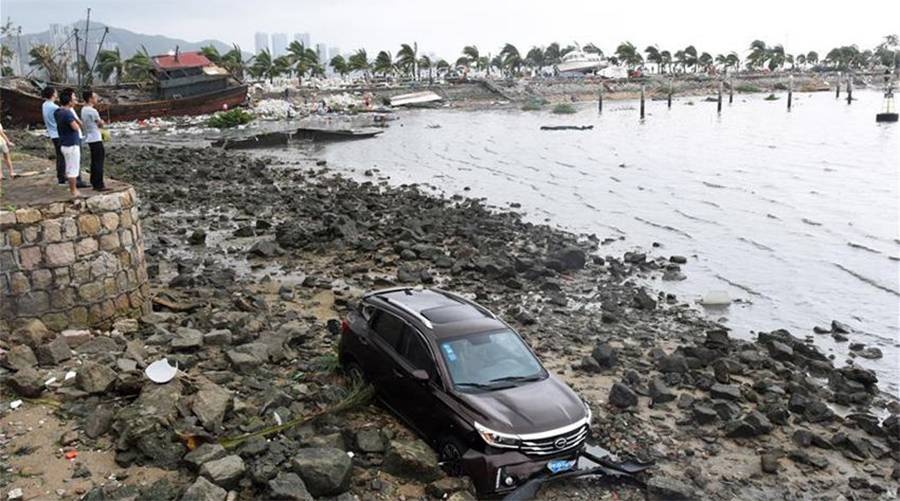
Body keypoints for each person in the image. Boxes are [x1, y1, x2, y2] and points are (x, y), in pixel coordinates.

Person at [54, 88, 83, 197]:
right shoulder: (68, 113)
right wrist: (78, 122)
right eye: (74, 99)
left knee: (69, 167)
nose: (76, 101)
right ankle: (73, 190)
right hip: (71, 144)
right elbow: (76, 127)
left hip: (64, 143)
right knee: (73, 169)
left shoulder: (58, 112)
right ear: (69, 101)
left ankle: (72, 188)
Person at [80, 90, 108, 191]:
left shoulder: (83, 110)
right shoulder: (93, 111)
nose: (96, 99)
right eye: (95, 97)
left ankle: (94, 181)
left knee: (94, 161)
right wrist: (102, 122)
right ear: (90, 99)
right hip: (96, 138)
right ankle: (99, 184)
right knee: (99, 162)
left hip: (89, 137)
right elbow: (100, 124)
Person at [0, 121, 14, 195]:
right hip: (1, 143)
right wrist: (8, 142)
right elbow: (1, 133)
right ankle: (11, 172)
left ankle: (0, 174)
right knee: (7, 158)